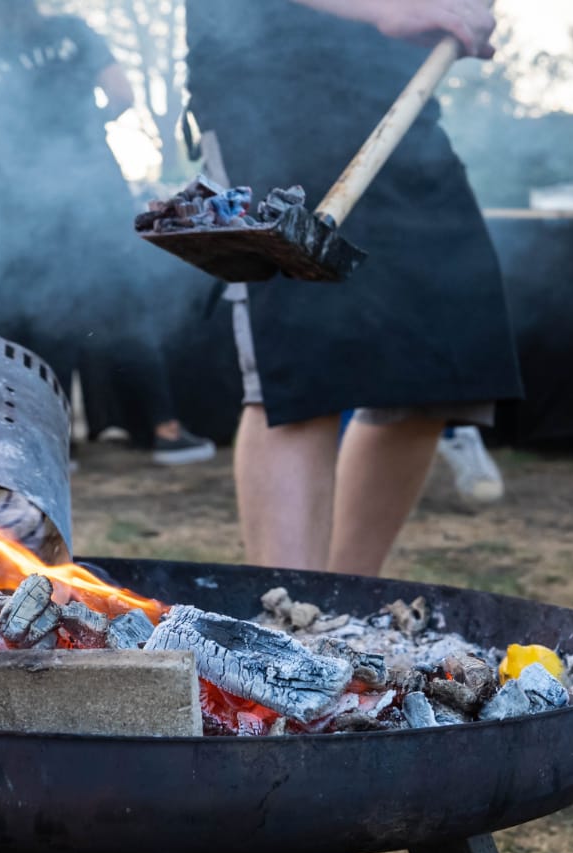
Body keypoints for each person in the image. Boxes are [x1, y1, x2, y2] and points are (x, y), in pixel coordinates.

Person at [184, 0, 517, 571]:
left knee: (440, 361)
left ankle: (346, 610)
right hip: (267, 79)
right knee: (301, 366)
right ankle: (290, 626)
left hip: (393, 83)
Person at [0, 0, 215, 465]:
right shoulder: (73, 31)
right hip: (94, 185)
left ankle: (54, 443)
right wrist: (86, 128)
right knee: (122, 303)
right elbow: (122, 94)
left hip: (20, 202)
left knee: (45, 315)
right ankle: (166, 431)